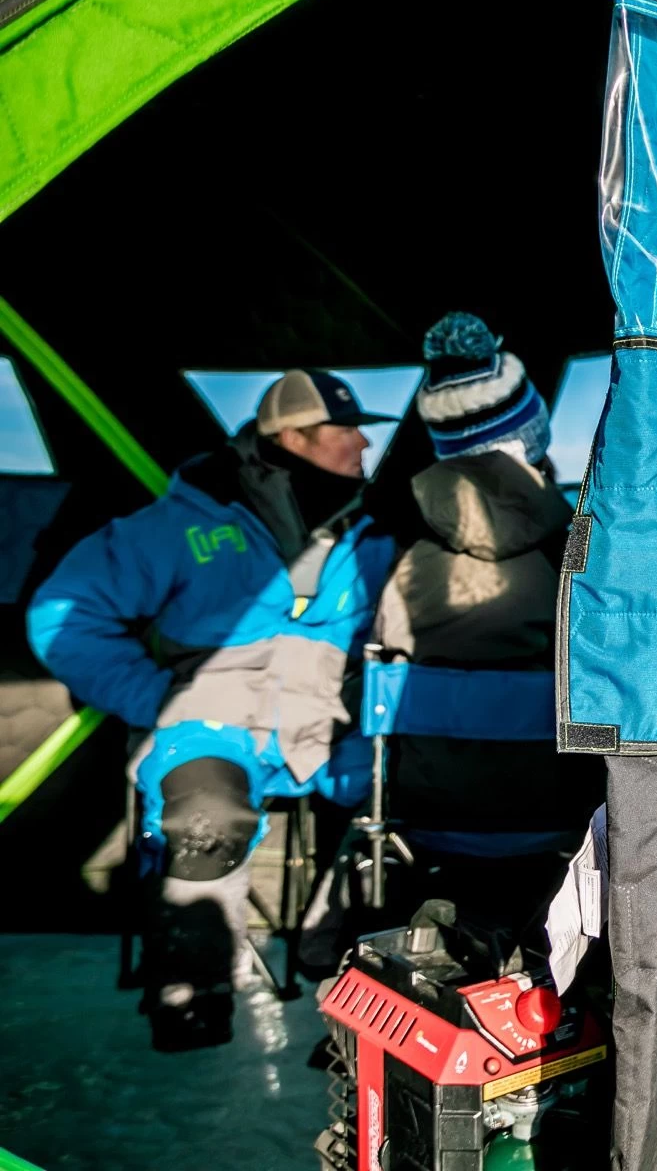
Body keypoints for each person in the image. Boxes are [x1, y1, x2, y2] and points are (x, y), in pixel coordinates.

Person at [26, 370, 397, 1051]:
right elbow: (59, 618)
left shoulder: (369, 536)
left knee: (403, 802)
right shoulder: (182, 525)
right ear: (293, 437)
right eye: (346, 431)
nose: (363, 446)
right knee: (208, 815)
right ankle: (193, 991)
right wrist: (156, 698)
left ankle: (344, 980)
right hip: (212, 727)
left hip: (326, 729)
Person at [364, 311, 603, 930]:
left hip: (424, 827)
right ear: (531, 429)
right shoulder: (588, 543)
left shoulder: (381, 549)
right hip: (568, 829)